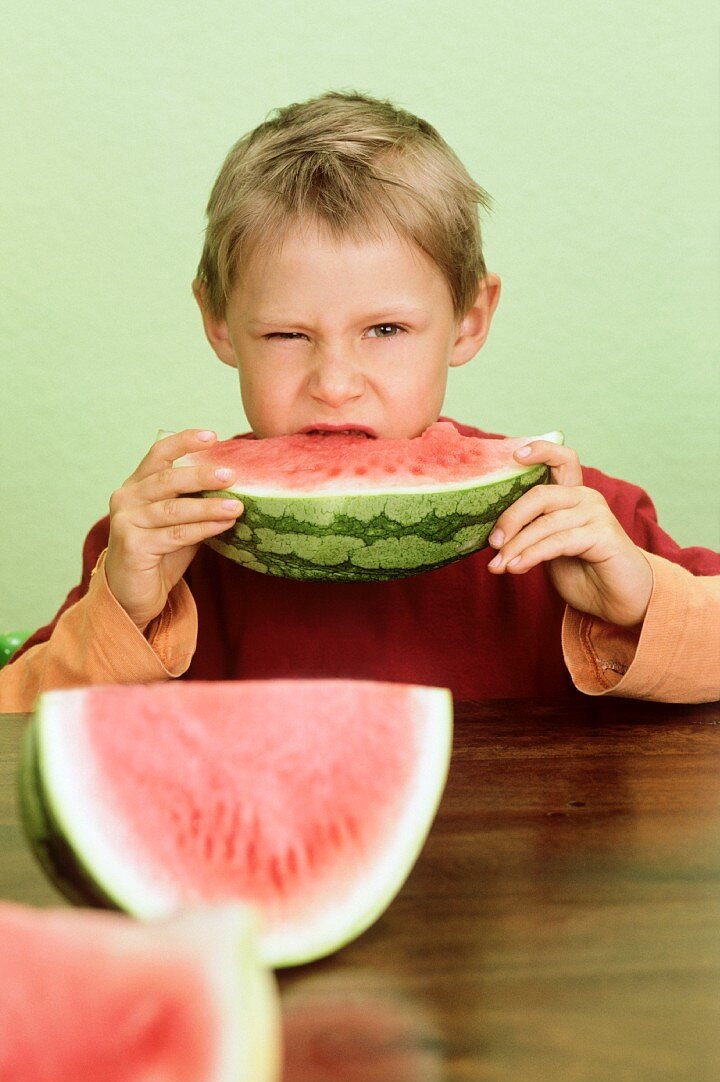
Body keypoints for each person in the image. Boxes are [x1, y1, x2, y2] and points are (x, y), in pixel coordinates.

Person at [2, 90, 718, 713]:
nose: (335, 382)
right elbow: (17, 718)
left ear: (470, 318)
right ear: (218, 322)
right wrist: (124, 614)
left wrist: (643, 603)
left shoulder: (580, 523)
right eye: (287, 333)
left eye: (385, 329)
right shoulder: (161, 543)